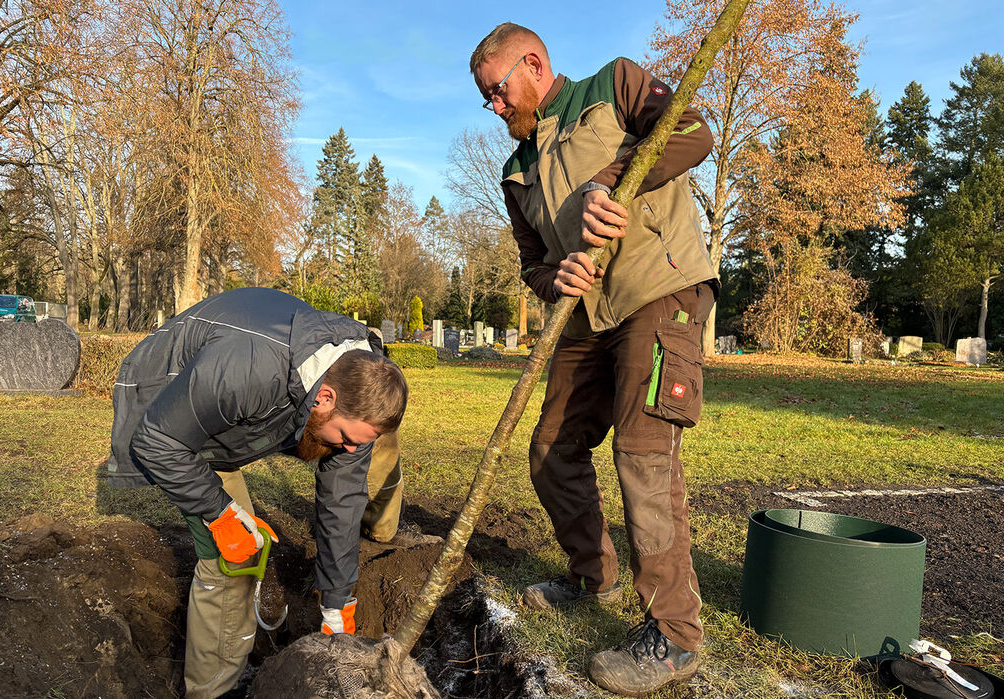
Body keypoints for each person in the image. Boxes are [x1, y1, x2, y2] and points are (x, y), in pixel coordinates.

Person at [471, 23, 719, 697]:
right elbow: (533, 266)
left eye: (497, 91)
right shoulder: (516, 172)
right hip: (585, 315)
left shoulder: (611, 87)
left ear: (533, 62)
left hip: (657, 290)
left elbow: (694, 133)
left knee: (642, 452)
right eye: (486, 100)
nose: (495, 108)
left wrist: (610, 180)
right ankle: (594, 578)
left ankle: (674, 634)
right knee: (550, 447)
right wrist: (556, 280)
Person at [105, 286, 438, 699]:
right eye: (349, 438)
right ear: (325, 397)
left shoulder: (354, 383)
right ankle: (214, 690)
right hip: (171, 413)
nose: (352, 450)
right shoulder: (247, 369)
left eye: (359, 443)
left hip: (243, 409)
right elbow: (157, 441)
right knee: (236, 554)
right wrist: (221, 513)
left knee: (354, 459)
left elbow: (341, 501)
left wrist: (337, 603)